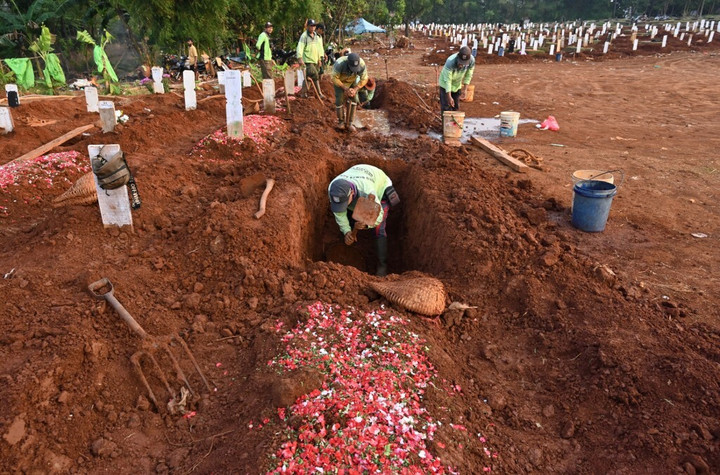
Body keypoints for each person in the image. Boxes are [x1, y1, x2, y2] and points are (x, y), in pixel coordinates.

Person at [328, 164, 400, 277]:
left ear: (351, 193)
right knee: (350, 218)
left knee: (378, 229)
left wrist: (366, 225)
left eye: (344, 203)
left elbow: (379, 217)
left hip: (380, 184)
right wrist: (347, 232)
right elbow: (340, 214)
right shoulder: (333, 188)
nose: (342, 206)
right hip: (358, 177)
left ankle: (382, 266)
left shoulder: (367, 192)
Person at [331, 52, 368, 131]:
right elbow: (334, 78)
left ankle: (350, 123)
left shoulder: (361, 64)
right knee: (339, 100)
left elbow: (364, 78)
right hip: (340, 82)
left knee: (354, 99)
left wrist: (355, 89)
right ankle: (341, 122)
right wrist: (345, 88)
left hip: (352, 81)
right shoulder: (339, 63)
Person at [438, 45, 475, 112]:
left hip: (457, 85)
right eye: (460, 62)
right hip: (445, 84)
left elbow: (469, 75)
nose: (462, 65)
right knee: (446, 107)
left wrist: (465, 89)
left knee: (456, 107)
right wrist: (449, 97)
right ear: (458, 57)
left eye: (464, 64)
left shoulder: (471, 60)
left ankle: (454, 122)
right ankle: (445, 122)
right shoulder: (450, 61)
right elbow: (448, 81)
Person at [296, 19, 327, 98]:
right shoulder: (304, 36)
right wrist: (299, 58)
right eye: (311, 26)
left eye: (314, 26)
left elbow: (319, 48)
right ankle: (319, 94)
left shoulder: (316, 36)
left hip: (315, 60)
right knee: (315, 75)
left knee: (308, 78)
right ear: (308, 26)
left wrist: (320, 58)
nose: (313, 28)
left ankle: (303, 93)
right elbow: (300, 47)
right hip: (307, 60)